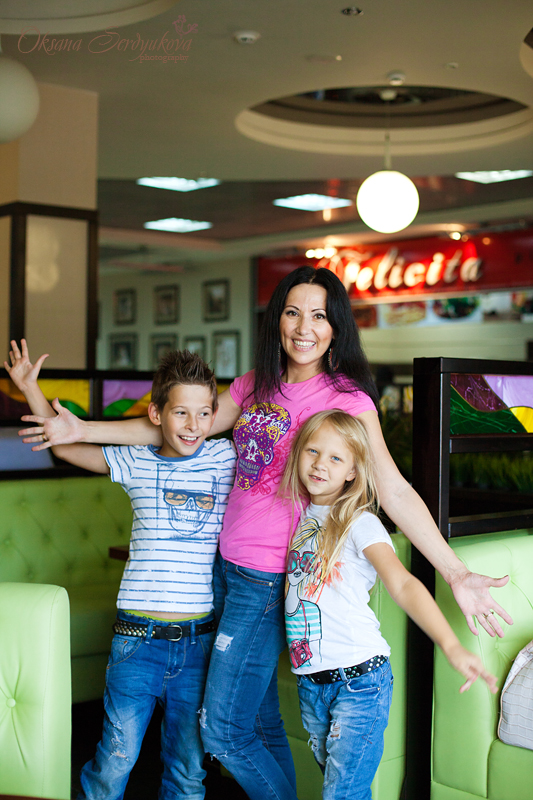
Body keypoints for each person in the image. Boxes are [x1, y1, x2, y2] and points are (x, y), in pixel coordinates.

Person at [17, 267, 512, 800]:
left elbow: (392, 489)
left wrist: (455, 572)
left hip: (268, 577)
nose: (304, 327)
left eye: (319, 315)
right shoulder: (256, 382)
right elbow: (181, 426)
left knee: (223, 731)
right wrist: (81, 428)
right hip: (221, 570)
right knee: (261, 721)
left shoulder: (348, 399)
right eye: (293, 312)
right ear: (277, 319)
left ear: (336, 328)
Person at [5, 341, 237, 800]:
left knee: (188, 773)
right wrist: (31, 390)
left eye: (204, 414)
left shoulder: (224, 459)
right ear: (156, 414)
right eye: (180, 413)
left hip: (199, 645)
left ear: (215, 415)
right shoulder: (135, 460)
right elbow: (68, 447)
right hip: (137, 641)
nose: (193, 425)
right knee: (114, 764)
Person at [280, 408, 497, 800]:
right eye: (312, 451)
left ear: (352, 472)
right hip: (311, 684)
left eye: (335, 458)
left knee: (341, 794)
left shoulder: (359, 522)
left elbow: (403, 584)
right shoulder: (298, 517)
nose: (320, 464)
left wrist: (450, 644)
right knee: (342, 789)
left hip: (358, 683)